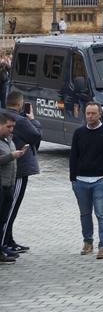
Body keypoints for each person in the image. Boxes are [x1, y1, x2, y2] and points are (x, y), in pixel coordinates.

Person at [69, 102, 103, 259]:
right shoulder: (79, 132)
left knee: (101, 214)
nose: (90, 116)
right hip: (81, 181)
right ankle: (87, 242)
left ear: (100, 114)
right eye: (88, 113)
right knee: (85, 213)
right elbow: (73, 155)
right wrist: (73, 178)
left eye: (93, 113)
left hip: (100, 181)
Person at [3, 91, 41, 254]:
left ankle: (8, 240)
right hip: (19, 169)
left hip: (9, 169)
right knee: (11, 207)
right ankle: (5, 242)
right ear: (20, 104)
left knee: (7, 207)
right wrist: (33, 120)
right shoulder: (20, 120)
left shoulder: (2, 114)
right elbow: (36, 136)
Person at [0, 110, 30, 264]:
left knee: (4, 219)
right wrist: (11, 156)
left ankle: (1, 248)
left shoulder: (8, 140)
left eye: (13, 127)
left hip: (8, 185)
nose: (11, 130)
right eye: (8, 127)